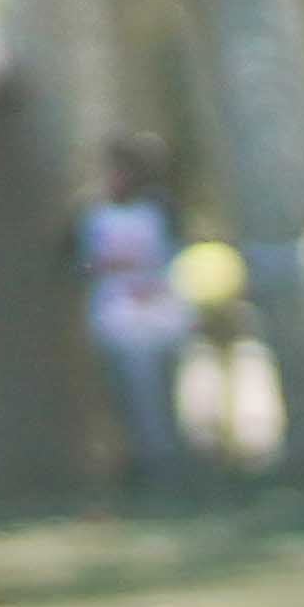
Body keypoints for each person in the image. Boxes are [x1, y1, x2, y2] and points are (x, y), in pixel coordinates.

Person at [76, 141, 199, 490]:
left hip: (162, 314)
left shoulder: (159, 212)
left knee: (170, 388)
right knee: (136, 393)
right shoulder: (93, 216)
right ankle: (151, 461)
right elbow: (81, 264)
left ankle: (177, 456)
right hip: (120, 317)